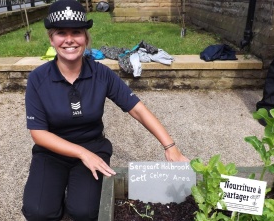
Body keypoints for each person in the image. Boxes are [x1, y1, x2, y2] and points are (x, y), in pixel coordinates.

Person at [21, 0, 189, 220]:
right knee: (38, 212)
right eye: (61, 32)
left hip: (93, 145)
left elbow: (137, 108)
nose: (69, 39)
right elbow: (39, 134)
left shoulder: (102, 74)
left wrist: (170, 146)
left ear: (86, 38)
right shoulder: (38, 78)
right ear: (51, 39)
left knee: (86, 212)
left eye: (77, 32)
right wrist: (82, 153)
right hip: (53, 151)